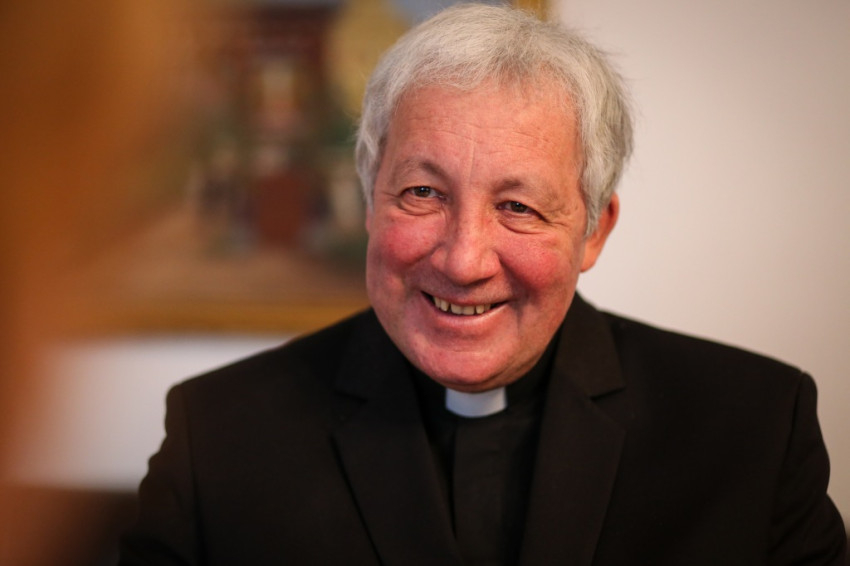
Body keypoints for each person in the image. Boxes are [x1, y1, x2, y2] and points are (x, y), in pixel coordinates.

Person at [119, 4, 846, 565]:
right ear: (370, 200)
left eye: (518, 207)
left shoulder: (753, 429)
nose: (464, 261)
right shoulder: (217, 437)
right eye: (422, 193)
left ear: (594, 231)